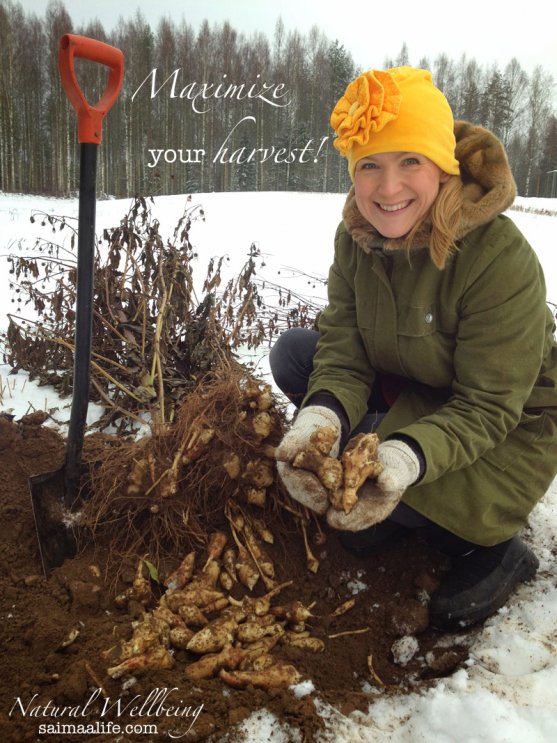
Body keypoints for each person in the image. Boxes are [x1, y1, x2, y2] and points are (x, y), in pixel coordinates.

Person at [271, 66, 557, 630]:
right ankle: (402, 491)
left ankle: (492, 544)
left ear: (443, 167)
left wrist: (403, 455)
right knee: (294, 356)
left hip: (507, 425)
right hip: (419, 385)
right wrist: (320, 419)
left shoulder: (498, 256)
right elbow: (344, 348)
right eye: (369, 165)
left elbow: (489, 405)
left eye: (410, 162)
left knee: (388, 485)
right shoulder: (354, 238)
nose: (388, 187)